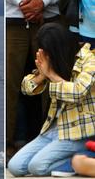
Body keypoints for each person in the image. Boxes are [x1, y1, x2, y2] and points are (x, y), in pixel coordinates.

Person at [8, 23, 95, 177]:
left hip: (79, 131)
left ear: (57, 48)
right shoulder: (54, 58)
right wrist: (42, 75)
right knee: (15, 167)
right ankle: (68, 157)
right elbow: (26, 88)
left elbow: (78, 92)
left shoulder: (90, 60)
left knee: (37, 167)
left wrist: (51, 75)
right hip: (53, 129)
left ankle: (78, 161)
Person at [6, 0, 63, 162]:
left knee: (53, 82)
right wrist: (23, 3)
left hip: (49, 18)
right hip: (12, 20)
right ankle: (7, 143)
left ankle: (55, 142)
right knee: (10, 85)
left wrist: (42, 2)